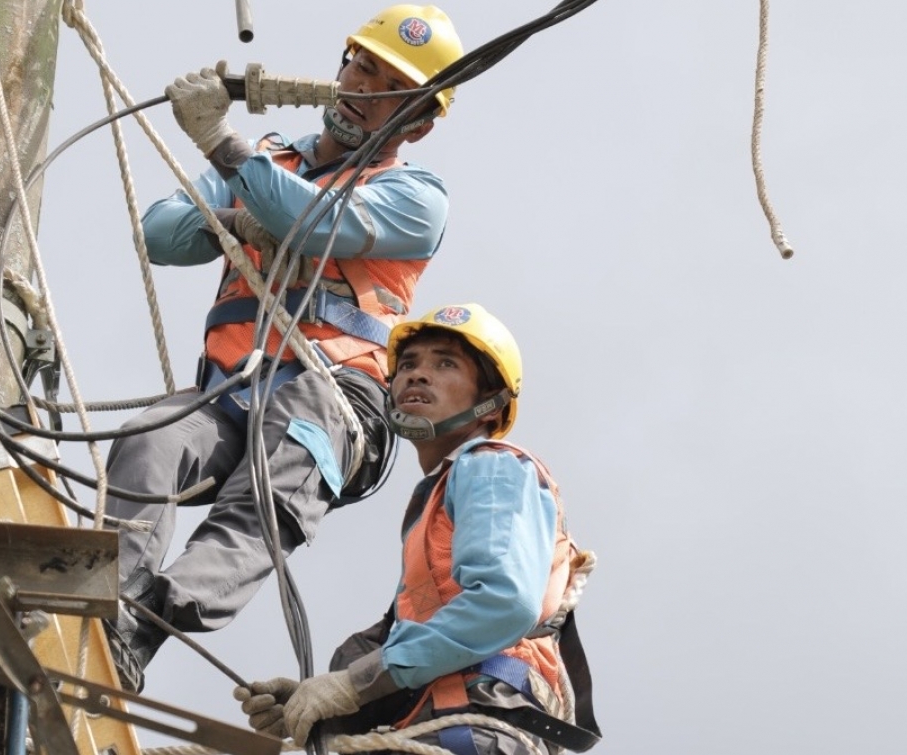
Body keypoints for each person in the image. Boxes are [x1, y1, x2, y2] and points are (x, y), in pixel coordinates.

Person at [102, 5, 465, 694]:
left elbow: (310, 221)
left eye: (389, 86)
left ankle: (144, 624)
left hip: (331, 394)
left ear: (416, 122)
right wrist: (236, 219)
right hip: (228, 392)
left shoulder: (415, 197)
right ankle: (108, 605)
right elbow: (160, 233)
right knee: (148, 438)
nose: (363, 88)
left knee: (263, 497)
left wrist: (220, 144)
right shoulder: (270, 160)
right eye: (361, 66)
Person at [236, 303, 602, 754]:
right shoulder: (439, 503)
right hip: (446, 726)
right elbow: (416, 645)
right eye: (407, 365)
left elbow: (504, 601)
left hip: (478, 728)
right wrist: (321, 701)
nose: (417, 375)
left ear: (491, 401)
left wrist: (354, 683)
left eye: (445, 363)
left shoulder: (492, 468)